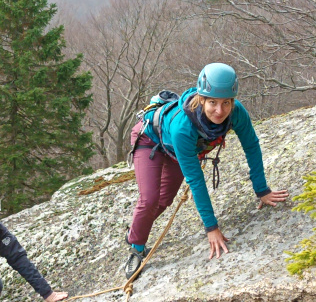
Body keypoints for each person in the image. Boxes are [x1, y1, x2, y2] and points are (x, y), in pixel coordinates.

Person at [124, 63, 290, 278]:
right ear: (201, 99)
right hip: (150, 140)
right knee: (150, 199)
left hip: (176, 150)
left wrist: (262, 189)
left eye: (226, 103)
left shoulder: (237, 113)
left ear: (232, 101)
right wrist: (211, 228)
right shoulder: (183, 126)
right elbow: (195, 179)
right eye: (212, 102)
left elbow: (251, 146)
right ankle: (136, 247)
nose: (220, 111)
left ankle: (135, 230)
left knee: (164, 200)